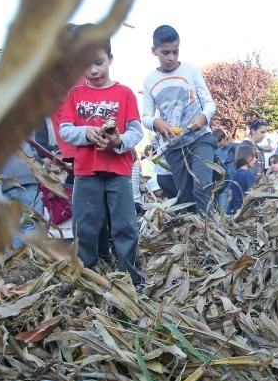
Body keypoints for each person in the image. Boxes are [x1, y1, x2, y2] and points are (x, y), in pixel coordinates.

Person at [59, 35, 144, 285]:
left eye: (98, 62)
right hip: (86, 172)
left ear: (110, 59)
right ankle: (87, 276)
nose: (93, 70)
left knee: (125, 226)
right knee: (84, 226)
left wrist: (118, 142)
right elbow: (65, 130)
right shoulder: (75, 95)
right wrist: (86, 132)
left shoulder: (125, 93)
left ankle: (132, 278)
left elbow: (136, 131)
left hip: (118, 170)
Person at [142, 25, 217, 216]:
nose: (171, 58)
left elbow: (209, 103)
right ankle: (195, 234)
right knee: (185, 198)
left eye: (175, 52)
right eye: (165, 52)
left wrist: (203, 116)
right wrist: (156, 123)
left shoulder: (190, 70)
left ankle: (211, 232)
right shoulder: (150, 80)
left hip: (200, 138)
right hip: (175, 147)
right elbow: (146, 116)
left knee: (202, 185)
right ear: (154, 51)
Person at [226, 143, 256, 215]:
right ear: (247, 158)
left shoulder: (235, 174)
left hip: (236, 210)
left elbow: (230, 194)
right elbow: (252, 195)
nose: (256, 159)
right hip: (245, 211)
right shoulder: (248, 174)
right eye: (253, 156)